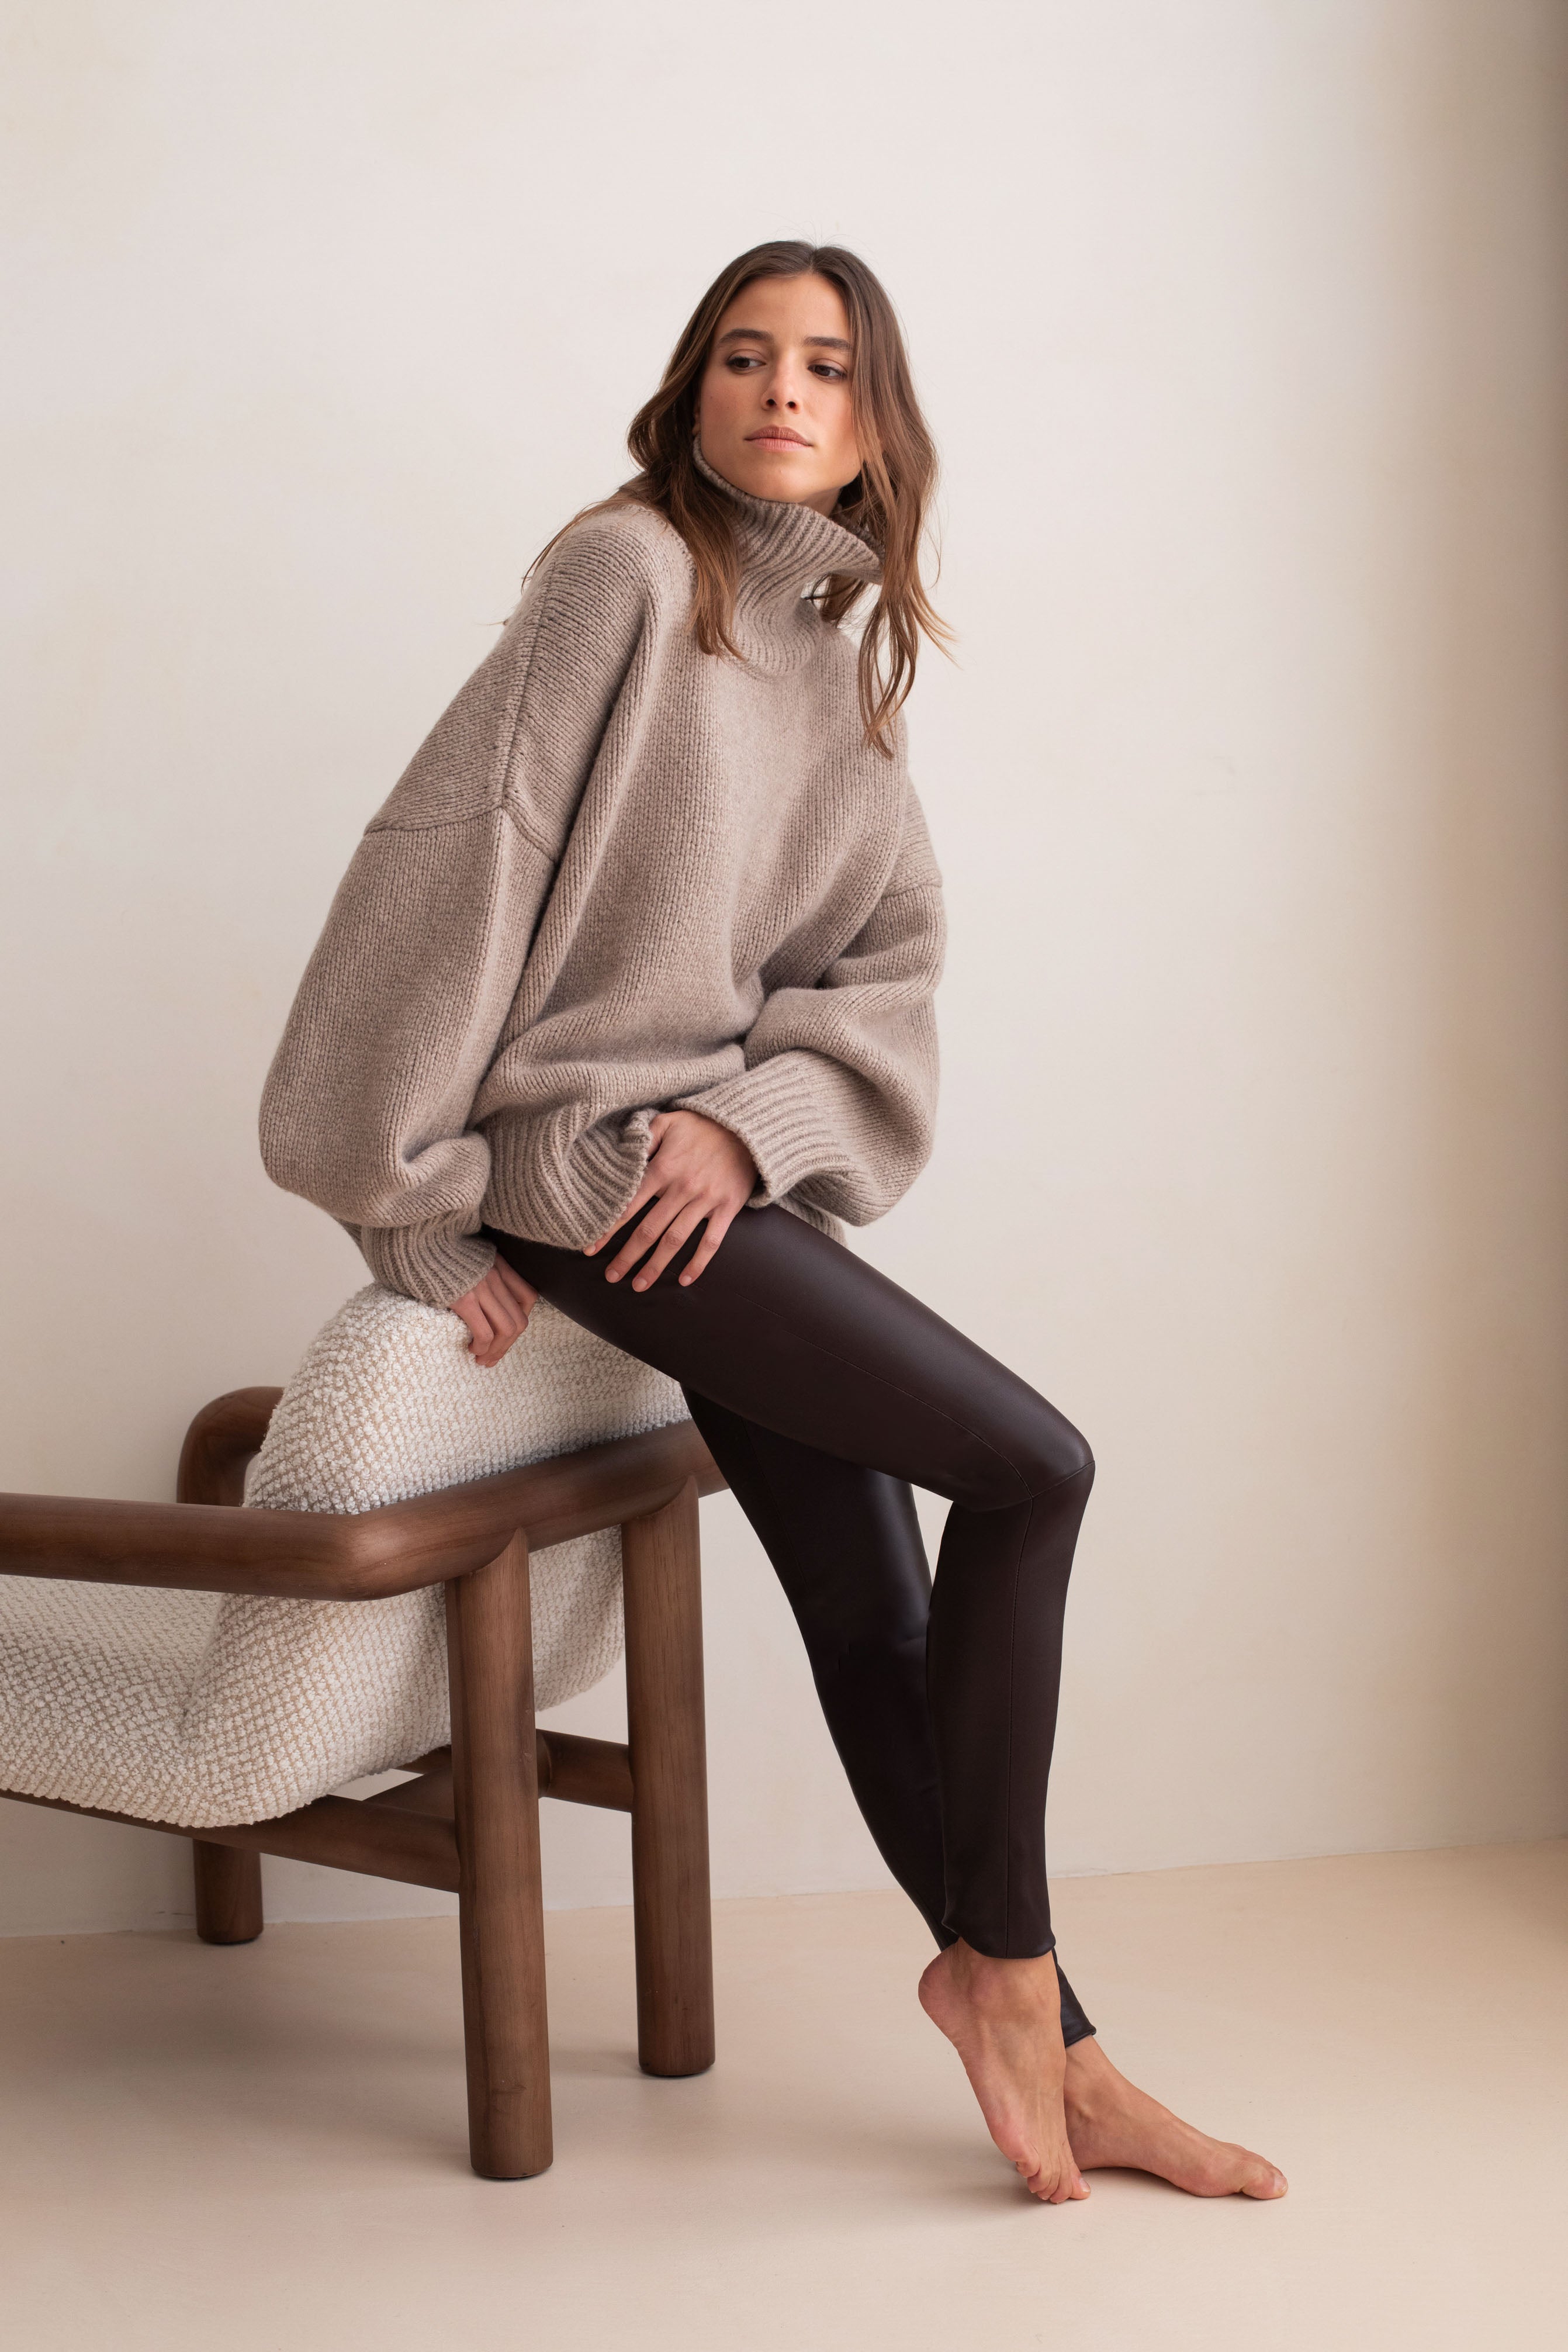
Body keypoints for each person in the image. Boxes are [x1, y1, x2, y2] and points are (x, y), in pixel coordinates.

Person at [259, 238, 1285, 2205]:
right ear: (692, 390)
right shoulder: (622, 574)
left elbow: (884, 958)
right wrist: (406, 1208)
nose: (782, 391)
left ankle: (1056, 2049)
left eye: (824, 364)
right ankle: (1010, 1984)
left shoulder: (840, 655)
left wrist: (754, 1122)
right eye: (744, 356)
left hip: (693, 1181)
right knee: (1035, 1467)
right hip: (585, 1178)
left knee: (874, 1608)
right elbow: (445, 874)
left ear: (876, 419)